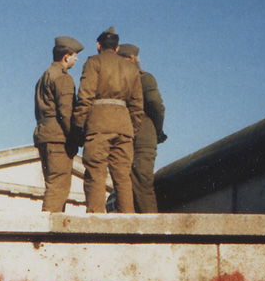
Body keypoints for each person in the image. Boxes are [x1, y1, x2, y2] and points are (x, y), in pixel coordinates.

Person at [72, 27, 144, 213]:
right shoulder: (131, 68)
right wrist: (132, 129)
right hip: (124, 126)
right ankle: (127, 219)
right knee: (122, 177)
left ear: (98, 45)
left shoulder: (93, 63)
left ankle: (95, 219)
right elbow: (137, 105)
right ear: (117, 47)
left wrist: (79, 126)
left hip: (98, 124)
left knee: (96, 173)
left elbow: (85, 96)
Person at [33, 35, 84, 212]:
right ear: (66, 56)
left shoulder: (45, 76)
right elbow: (66, 112)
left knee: (52, 184)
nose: (76, 58)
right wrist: (76, 137)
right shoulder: (63, 78)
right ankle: (47, 236)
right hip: (58, 137)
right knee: (59, 187)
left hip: (45, 134)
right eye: (75, 55)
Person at [118, 44, 167, 212]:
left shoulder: (114, 81)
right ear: (133, 58)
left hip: (123, 133)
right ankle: (149, 227)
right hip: (144, 133)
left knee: (126, 182)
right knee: (142, 181)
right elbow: (157, 106)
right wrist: (158, 130)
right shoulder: (144, 78)